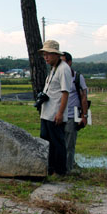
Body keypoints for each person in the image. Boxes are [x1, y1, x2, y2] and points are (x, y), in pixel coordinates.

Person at [38, 40, 72, 176]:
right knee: (47, 141)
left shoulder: (63, 69)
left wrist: (60, 113)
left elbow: (65, 93)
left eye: (48, 54)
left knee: (57, 143)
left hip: (55, 114)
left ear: (56, 55)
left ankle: (60, 171)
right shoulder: (54, 68)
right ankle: (50, 168)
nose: (46, 57)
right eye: (44, 55)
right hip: (47, 112)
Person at [61, 52, 88, 172]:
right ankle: (57, 168)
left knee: (69, 145)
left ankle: (67, 169)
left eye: (64, 61)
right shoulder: (57, 76)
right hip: (58, 116)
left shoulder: (77, 78)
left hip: (72, 116)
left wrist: (84, 115)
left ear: (69, 62)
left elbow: (83, 97)